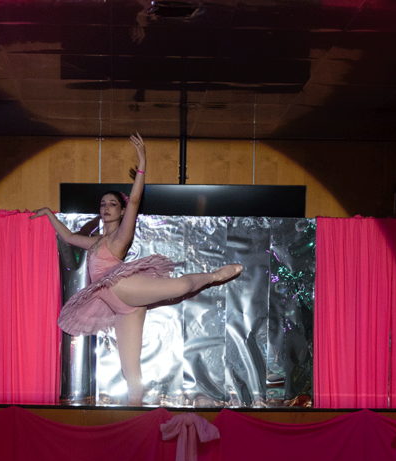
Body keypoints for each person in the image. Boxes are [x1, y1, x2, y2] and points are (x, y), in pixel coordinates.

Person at [31, 133, 242, 406]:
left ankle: (214, 276)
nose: (106, 208)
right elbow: (70, 237)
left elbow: (134, 200)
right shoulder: (95, 241)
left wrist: (142, 164)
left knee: (178, 286)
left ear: (120, 212)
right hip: (121, 307)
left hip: (122, 287)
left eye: (112, 204)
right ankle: (135, 419)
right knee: (131, 373)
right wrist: (49, 213)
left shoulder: (120, 237)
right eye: (103, 204)